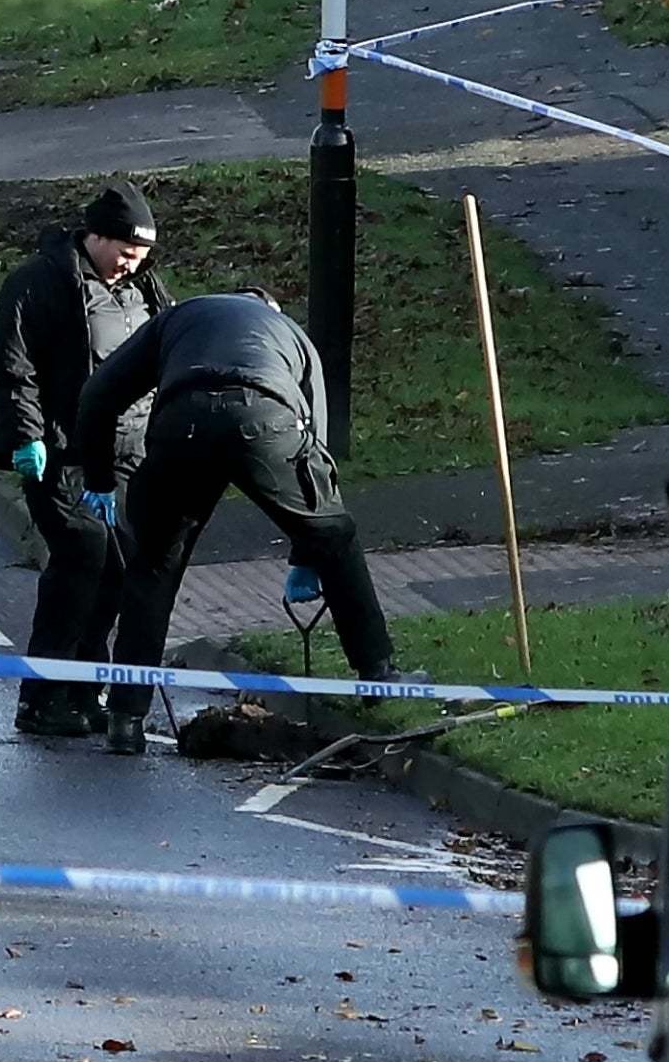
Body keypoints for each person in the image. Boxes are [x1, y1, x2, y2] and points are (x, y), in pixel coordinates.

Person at [74, 289, 424, 756]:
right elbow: (316, 446)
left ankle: (125, 718)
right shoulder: (291, 334)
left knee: (153, 567)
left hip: (183, 423)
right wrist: (308, 550)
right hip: (265, 418)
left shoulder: (177, 318)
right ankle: (378, 674)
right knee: (335, 534)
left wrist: (98, 478)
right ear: (270, 309)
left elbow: (98, 393)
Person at [0, 180, 172, 737]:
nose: (129, 266)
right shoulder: (37, 284)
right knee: (83, 556)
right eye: (123, 253)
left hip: (126, 456)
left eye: (140, 258)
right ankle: (41, 698)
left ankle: (83, 689)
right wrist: (27, 436)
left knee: (119, 572)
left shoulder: (146, 290)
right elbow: (14, 369)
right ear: (94, 236)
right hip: (60, 453)